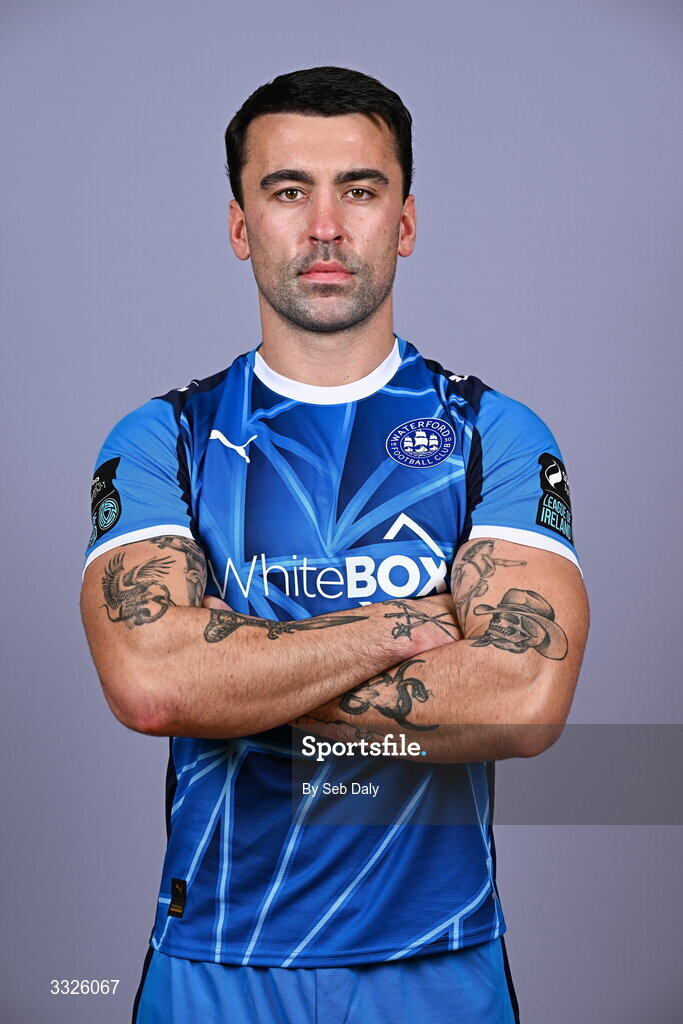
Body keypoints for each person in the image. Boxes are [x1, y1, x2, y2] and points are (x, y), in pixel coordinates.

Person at [80, 66, 589, 1024]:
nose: (324, 226)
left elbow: (522, 700)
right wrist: (408, 626)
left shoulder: (493, 435)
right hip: (216, 954)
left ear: (402, 222)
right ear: (240, 226)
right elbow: (153, 684)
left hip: (436, 955)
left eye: (358, 190)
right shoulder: (163, 440)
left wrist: (234, 673)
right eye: (287, 191)